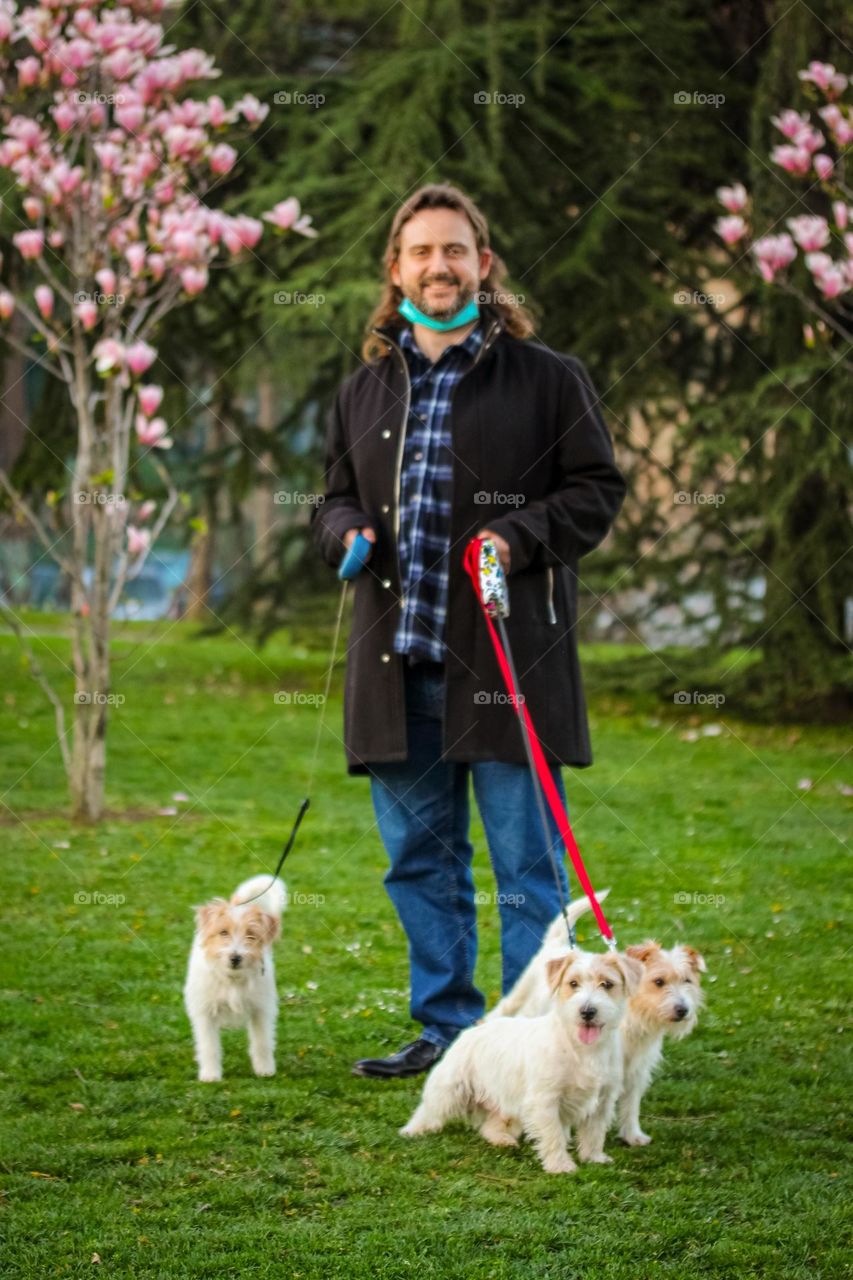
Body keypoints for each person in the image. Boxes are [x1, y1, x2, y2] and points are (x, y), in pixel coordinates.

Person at [312, 183, 626, 1078]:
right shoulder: (363, 388)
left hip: (505, 664)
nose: (437, 266)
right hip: (395, 662)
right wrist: (341, 530)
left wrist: (516, 534)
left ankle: (538, 1046)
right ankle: (448, 1035)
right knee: (419, 860)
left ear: (482, 266)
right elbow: (332, 496)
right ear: (396, 269)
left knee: (527, 868)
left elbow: (595, 490)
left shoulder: (545, 377)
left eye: (454, 250)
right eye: (420, 252)